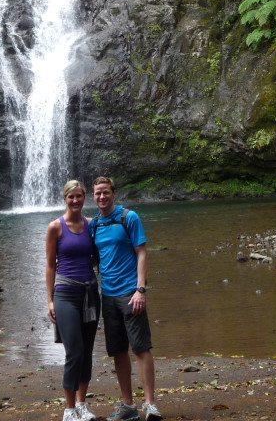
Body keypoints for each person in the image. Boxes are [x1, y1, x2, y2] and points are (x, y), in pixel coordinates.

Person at [90, 176, 163, 421]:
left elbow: (142, 253)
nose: (102, 197)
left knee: (141, 348)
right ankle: (128, 405)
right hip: (107, 296)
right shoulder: (95, 224)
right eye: (98, 193)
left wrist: (140, 289)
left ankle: (150, 404)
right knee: (118, 351)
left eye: (105, 192)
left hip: (130, 293)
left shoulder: (128, 217)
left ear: (114, 193)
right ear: (94, 196)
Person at [46, 180, 101, 421]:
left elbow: (100, 256)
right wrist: (49, 300)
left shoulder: (92, 225)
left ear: (84, 197)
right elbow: (49, 265)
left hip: (90, 293)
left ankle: (81, 404)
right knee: (74, 351)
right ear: (64, 198)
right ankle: (68, 409)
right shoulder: (55, 227)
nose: (76, 201)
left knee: (87, 351)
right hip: (65, 294)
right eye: (71, 197)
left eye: (79, 196)